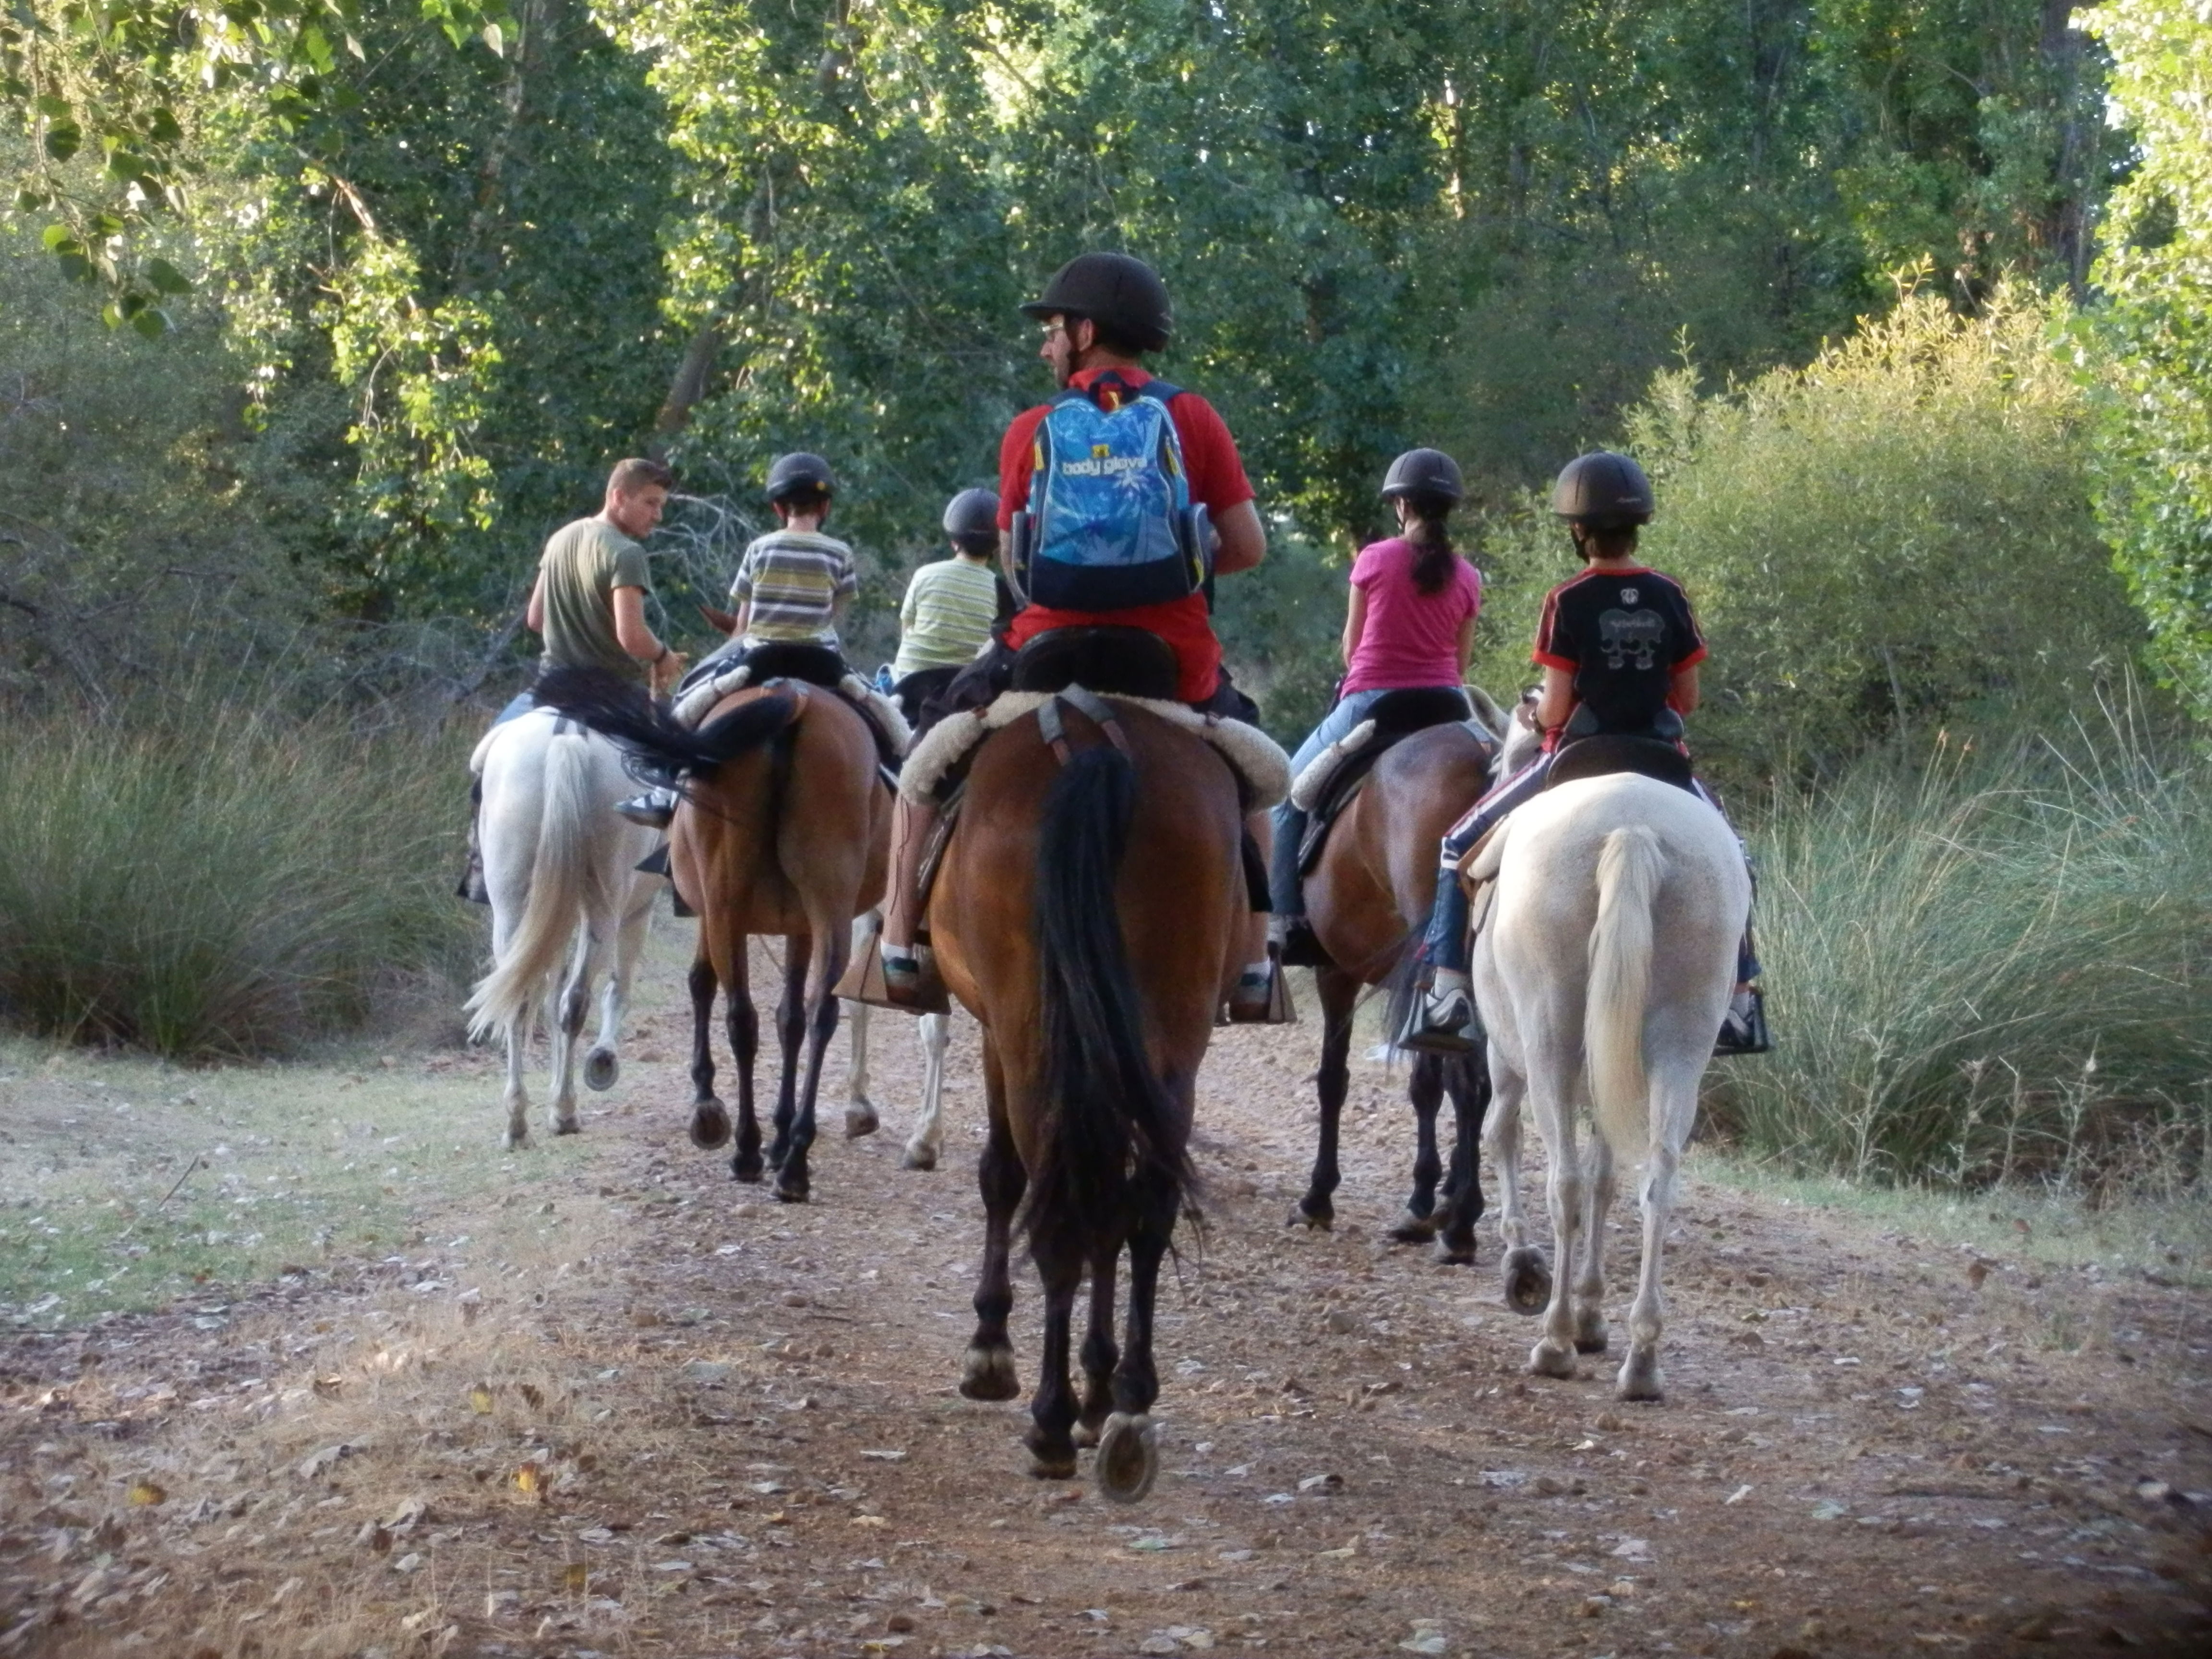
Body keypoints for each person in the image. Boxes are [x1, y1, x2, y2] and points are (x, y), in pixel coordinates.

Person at [874, 252, 1273, 1015]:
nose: (1045, 345)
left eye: (1054, 330)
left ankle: (897, 945)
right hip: (1171, 665)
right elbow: (1248, 546)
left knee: (925, 765)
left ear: (1087, 332)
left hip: (1043, 659)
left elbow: (1018, 565)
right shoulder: (1193, 417)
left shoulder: (1032, 429)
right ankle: (1257, 960)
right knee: (1256, 780)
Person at [1397, 449, 1765, 1054]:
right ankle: (1741, 998)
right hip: (1661, 758)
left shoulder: (1567, 600)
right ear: (1637, 525)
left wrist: (1533, 712)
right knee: (1736, 855)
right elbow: (1689, 699)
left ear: (1577, 529)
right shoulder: (1670, 594)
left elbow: (1558, 712)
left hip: (1576, 759)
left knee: (1456, 846)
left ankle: (1448, 990)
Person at [1268, 448, 1485, 955]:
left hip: (1372, 703)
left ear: (1402, 504)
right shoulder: (1469, 576)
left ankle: (1282, 923)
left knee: (1286, 797)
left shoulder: (1374, 559)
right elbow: (1462, 661)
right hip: (1448, 705)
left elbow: (1351, 648)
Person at [459, 457, 685, 902]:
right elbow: (631, 636)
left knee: (485, 765)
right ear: (618, 497)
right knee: (683, 775)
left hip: (551, 688)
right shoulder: (626, 553)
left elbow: (535, 618)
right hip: (613, 694)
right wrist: (663, 657)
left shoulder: (561, 538)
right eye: (650, 503)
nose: (657, 515)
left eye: (661, 506)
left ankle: (480, 866)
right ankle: (680, 878)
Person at [615, 451, 859, 830]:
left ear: (779, 508)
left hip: (760, 658)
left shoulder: (759, 549)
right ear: (825, 506)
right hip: (821, 661)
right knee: (886, 717)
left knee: (687, 707)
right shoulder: (841, 553)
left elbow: (743, 625)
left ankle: (662, 795)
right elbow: (835, 618)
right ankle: (898, 785)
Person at [887, 488, 1008, 726]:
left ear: (954, 541)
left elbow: (906, 628)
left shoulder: (925, 574)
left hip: (911, 682)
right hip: (966, 687)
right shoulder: (1000, 588)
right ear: (995, 546)